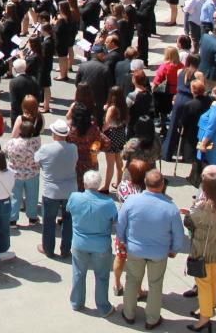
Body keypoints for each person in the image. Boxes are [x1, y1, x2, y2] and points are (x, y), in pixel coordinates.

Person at [116, 169, 186, 327]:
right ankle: (152, 319)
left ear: (145, 184)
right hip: (158, 253)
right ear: (162, 185)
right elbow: (178, 233)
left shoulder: (132, 201)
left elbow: (121, 222)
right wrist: (174, 249)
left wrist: (121, 240)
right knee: (155, 284)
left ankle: (129, 314)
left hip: (135, 250)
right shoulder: (170, 207)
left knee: (132, 281)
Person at [183, 174, 216, 331]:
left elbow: (189, 221)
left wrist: (192, 207)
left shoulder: (205, 208)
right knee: (213, 280)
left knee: (204, 284)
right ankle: (209, 308)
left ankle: (204, 318)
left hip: (203, 251)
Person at [67, 169, 119, 316]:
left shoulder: (74, 197)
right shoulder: (108, 203)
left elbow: (69, 209)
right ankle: (103, 307)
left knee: (78, 273)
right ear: (99, 184)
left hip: (79, 243)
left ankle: (76, 302)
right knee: (102, 276)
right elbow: (115, 220)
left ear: (84, 183)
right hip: (101, 245)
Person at [35, 119, 79, 258]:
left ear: (54, 133)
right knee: (68, 221)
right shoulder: (73, 148)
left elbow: (36, 161)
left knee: (49, 221)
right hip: (70, 190)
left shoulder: (46, 149)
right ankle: (65, 250)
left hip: (51, 191)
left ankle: (48, 249)